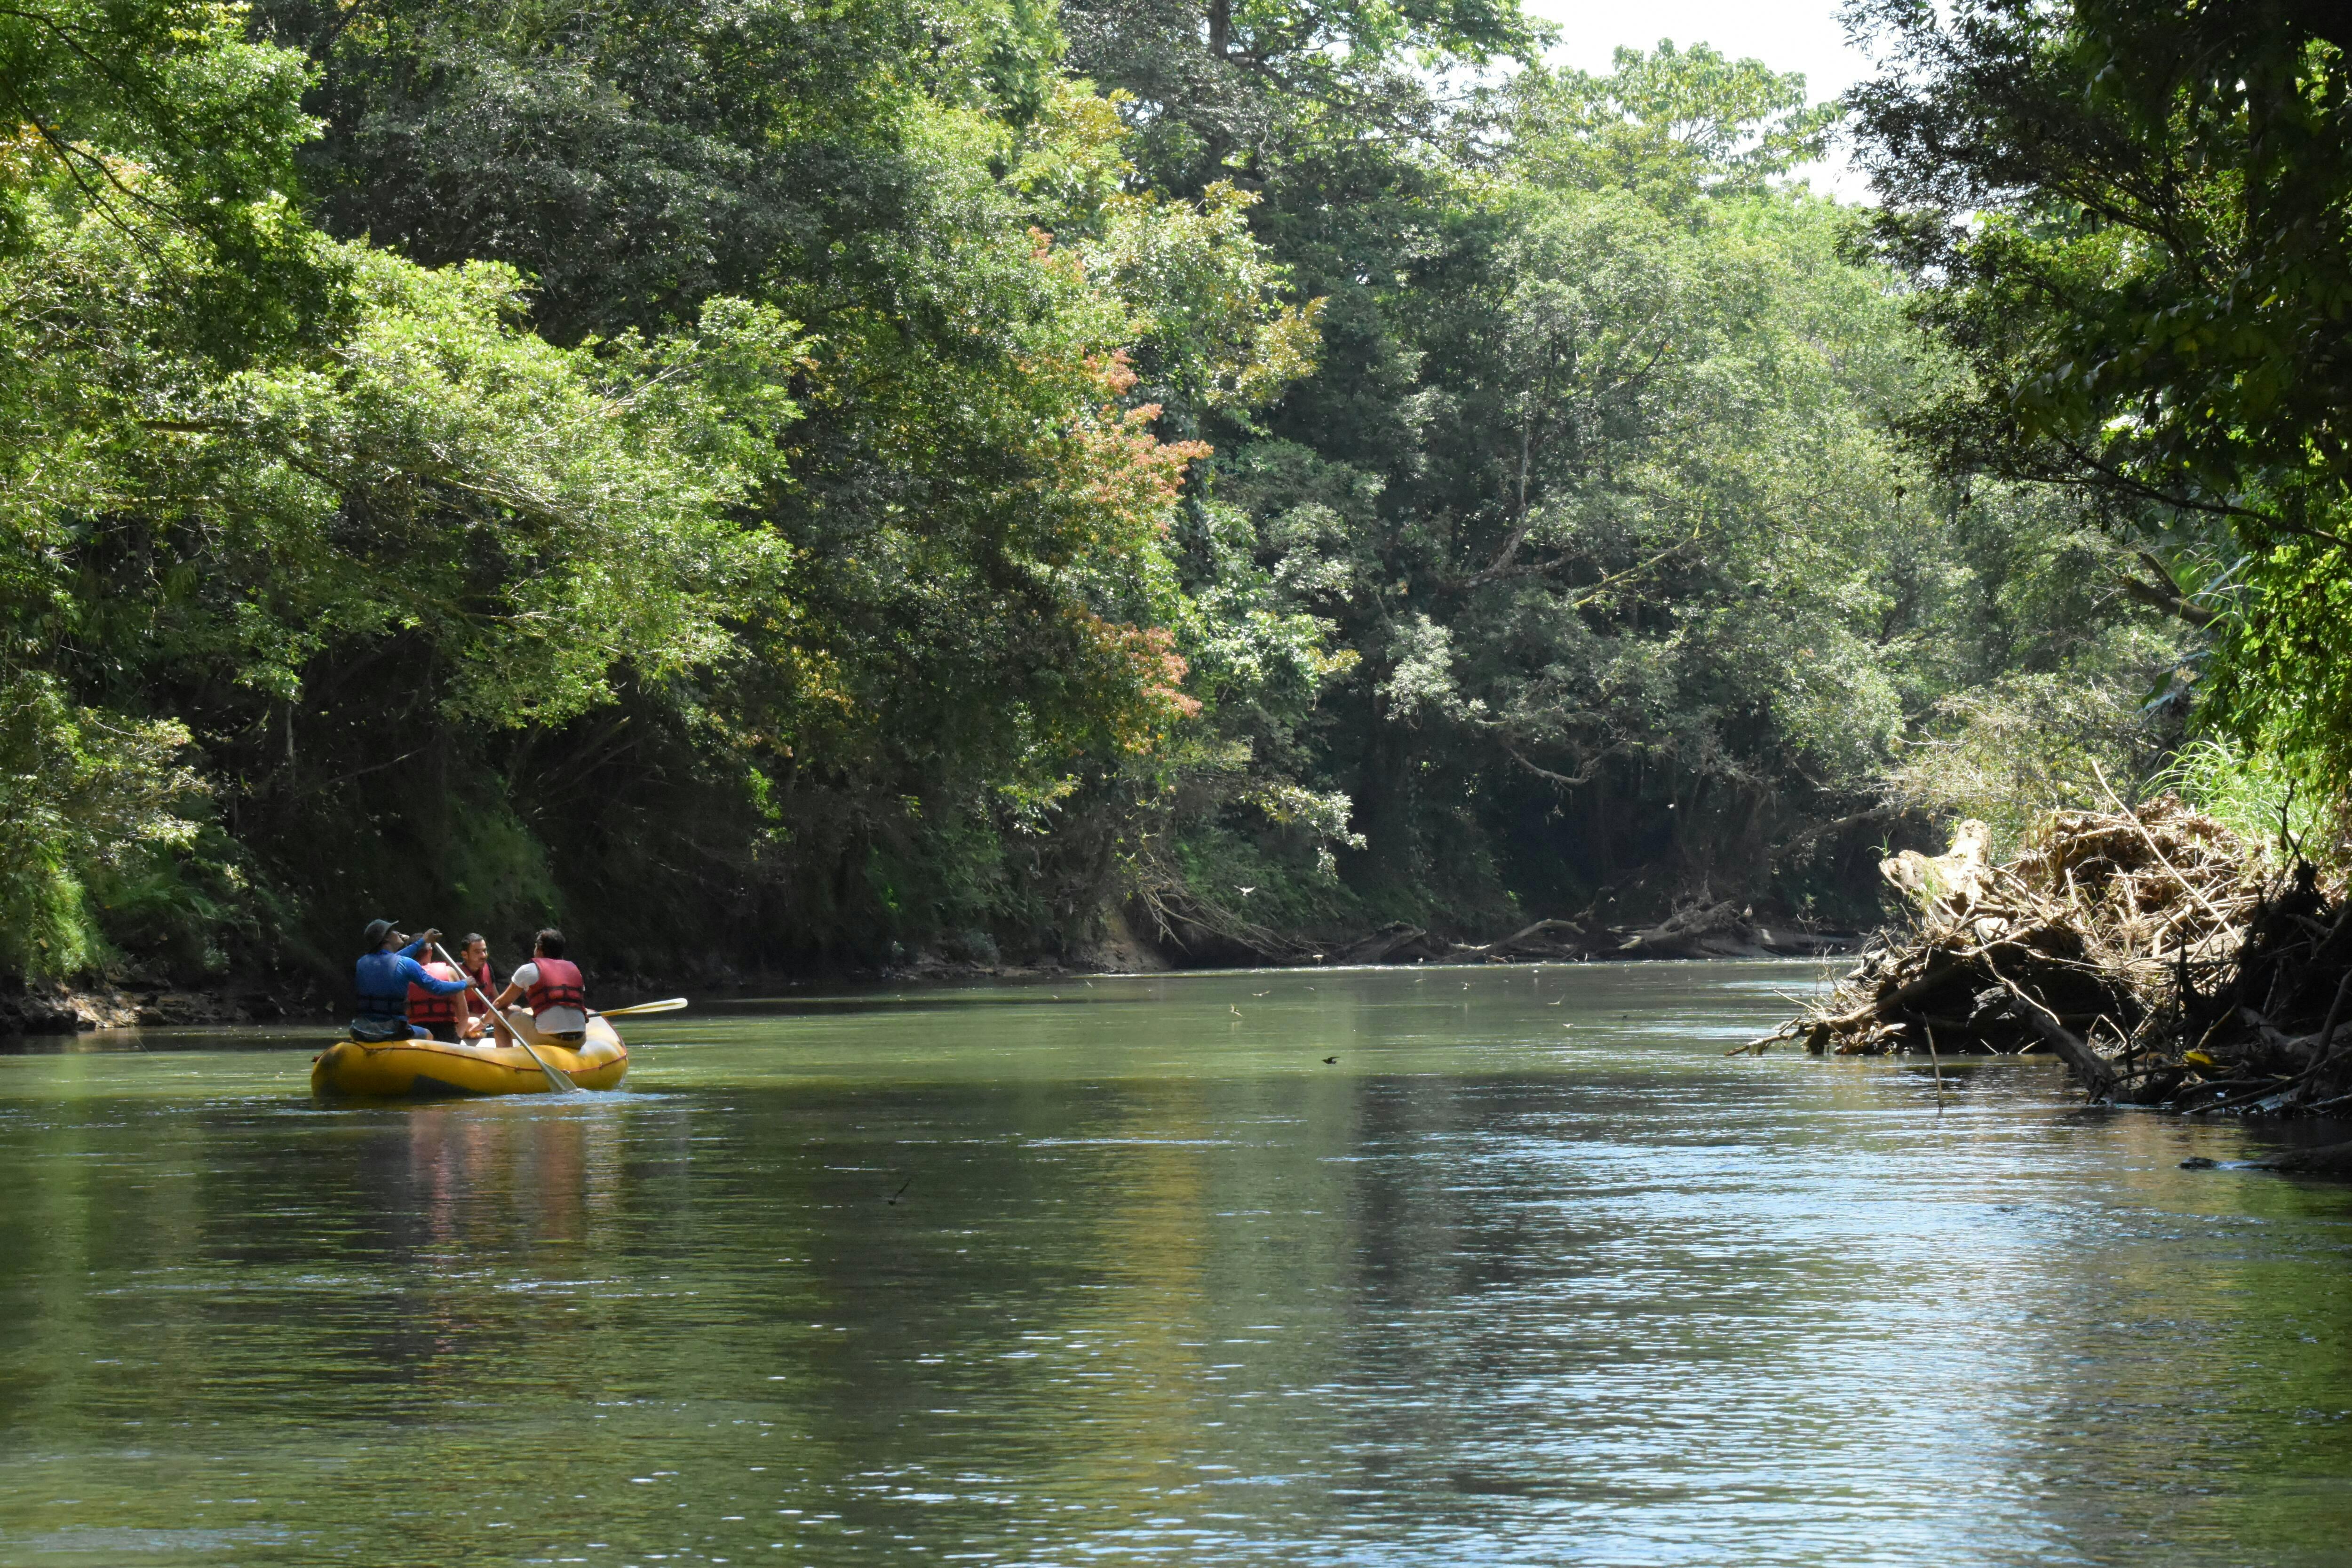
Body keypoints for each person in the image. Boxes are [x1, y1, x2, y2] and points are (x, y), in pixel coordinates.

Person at [352, 920, 468, 1041]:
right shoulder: (406, 964)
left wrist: (423, 941)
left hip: (360, 1028)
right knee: (428, 1034)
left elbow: (394, 959)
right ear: (386, 939)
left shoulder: (362, 962)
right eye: (393, 931)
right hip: (393, 1029)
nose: (397, 933)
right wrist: (465, 983)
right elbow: (437, 988)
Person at [493, 927, 588, 1044]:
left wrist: (482, 1023)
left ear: (539, 949)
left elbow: (499, 1004)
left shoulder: (528, 970)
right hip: (579, 1040)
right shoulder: (575, 970)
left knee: (499, 1016)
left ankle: (505, 1060)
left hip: (548, 1039)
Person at [455, 933, 501, 1040]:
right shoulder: (456, 973)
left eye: (484, 951)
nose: (483, 956)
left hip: (486, 1018)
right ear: (465, 955)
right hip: (469, 1022)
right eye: (478, 952)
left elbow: (497, 998)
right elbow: (456, 1011)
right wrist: (485, 1018)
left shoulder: (488, 968)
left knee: (515, 1011)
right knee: (474, 1022)